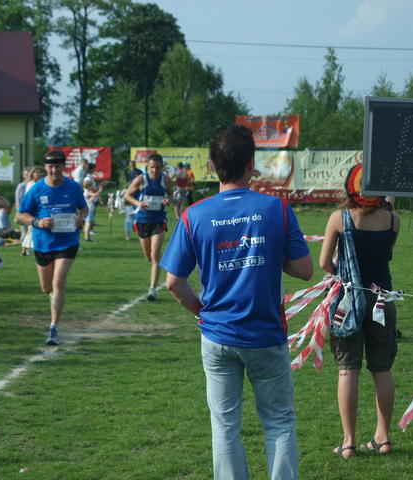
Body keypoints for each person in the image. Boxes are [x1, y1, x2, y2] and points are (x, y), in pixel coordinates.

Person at [161, 125, 312, 480]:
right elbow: (305, 270)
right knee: (278, 422)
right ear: (251, 163)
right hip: (265, 334)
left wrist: (201, 312)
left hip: (217, 334)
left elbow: (173, 282)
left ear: (213, 166)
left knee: (225, 425)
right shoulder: (276, 208)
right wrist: (268, 252)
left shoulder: (194, 214)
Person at [320, 164, 400, 458]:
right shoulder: (394, 220)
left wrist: (341, 273)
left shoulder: (338, 218)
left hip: (347, 301)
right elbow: (387, 256)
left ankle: (349, 441)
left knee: (348, 369)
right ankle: (384, 437)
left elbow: (324, 263)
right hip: (382, 300)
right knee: (382, 369)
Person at [16, 150, 88, 346]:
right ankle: (54, 298)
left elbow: (83, 207)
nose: (54, 171)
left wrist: (80, 217)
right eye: (50, 167)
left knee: (58, 281)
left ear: (63, 167)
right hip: (43, 243)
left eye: (57, 167)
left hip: (68, 241)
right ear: (45, 167)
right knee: (46, 288)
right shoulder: (37, 189)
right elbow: (20, 215)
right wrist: (38, 222)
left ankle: (54, 327)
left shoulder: (73, 187)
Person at [124, 153, 173, 301]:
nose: (155, 170)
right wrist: (138, 203)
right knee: (148, 257)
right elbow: (127, 195)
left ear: (162, 167)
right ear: (147, 167)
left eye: (158, 167)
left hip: (159, 219)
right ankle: (153, 264)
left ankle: (152, 290)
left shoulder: (166, 180)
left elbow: (170, 194)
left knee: (155, 253)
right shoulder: (140, 179)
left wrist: (168, 200)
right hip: (142, 220)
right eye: (152, 167)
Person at [20, 166, 43, 253]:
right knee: (32, 229)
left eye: (40, 172)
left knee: (34, 230)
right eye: (37, 172)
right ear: (32, 174)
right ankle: (26, 249)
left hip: (40, 208)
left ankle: (26, 249)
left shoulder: (41, 183)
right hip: (33, 209)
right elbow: (29, 198)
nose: (39, 174)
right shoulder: (31, 184)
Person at [15, 167, 31, 256]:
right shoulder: (21, 186)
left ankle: (26, 249)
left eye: (29, 174)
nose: (27, 176)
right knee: (24, 231)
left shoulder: (33, 184)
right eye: (26, 174)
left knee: (29, 231)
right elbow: (18, 201)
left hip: (30, 212)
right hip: (23, 211)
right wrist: (19, 213)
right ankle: (24, 250)